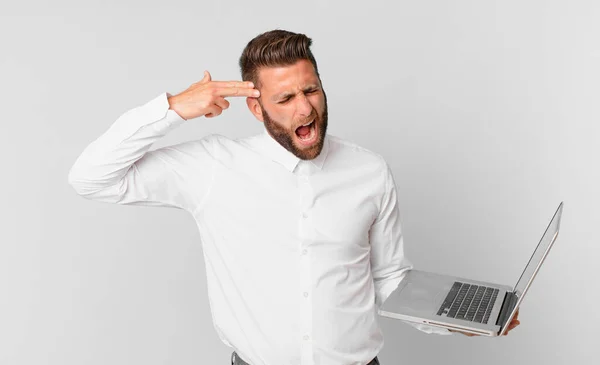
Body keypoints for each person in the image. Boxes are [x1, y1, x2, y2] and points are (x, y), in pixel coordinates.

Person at [68, 29, 520, 365]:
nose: (305, 109)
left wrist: (457, 318)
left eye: (311, 90)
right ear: (256, 107)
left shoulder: (369, 171)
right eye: (285, 98)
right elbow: (91, 178)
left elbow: (390, 280)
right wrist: (171, 107)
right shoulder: (213, 167)